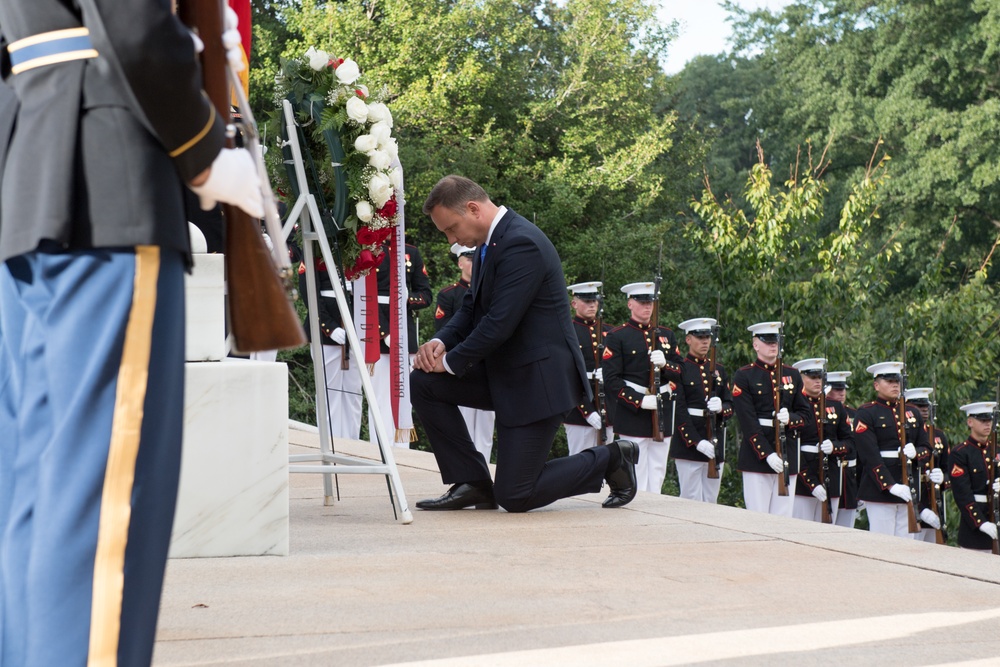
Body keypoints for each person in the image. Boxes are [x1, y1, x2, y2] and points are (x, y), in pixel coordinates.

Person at [0, 4, 263, 665]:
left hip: (27, 174)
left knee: (32, 501)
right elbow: (133, 24)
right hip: (107, 184)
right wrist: (204, 149)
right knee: (99, 506)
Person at [410, 175, 638, 512]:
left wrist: (449, 362)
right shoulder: (490, 243)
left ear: (473, 209)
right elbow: (472, 308)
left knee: (515, 495)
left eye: (451, 228)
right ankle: (472, 482)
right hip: (505, 374)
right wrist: (439, 342)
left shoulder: (521, 242)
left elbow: (499, 323)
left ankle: (611, 456)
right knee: (424, 382)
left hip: (537, 382)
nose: (451, 239)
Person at [602, 282, 683, 494]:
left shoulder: (666, 335)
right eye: (642, 302)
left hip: (662, 408)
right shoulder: (618, 336)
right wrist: (638, 399)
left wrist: (666, 365)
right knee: (635, 467)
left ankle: (654, 505)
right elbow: (611, 380)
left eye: (650, 302)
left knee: (658, 469)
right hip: (633, 412)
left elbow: (682, 372)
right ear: (630, 304)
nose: (647, 307)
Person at [731, 322, 810, 517]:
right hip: (757, 457)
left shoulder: (792, 375)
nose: (773, 345)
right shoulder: (745, 375)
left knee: (783, 518)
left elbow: (806, 415)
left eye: (776, 340)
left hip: (787, 453)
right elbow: (748, 421)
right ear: (755, 344)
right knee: (758, 517)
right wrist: (767, 454)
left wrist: (790, 418)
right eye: (767, 341)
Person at [853, 362, 931, 538]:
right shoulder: (866, 413)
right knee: (883, 542)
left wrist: (916, 453)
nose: (895, 384)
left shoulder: (912, 412)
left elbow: (927, 448)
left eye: (897, 380)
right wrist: (889, 484)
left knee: (906, 544)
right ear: (876, 385)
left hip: (908, 486)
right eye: (889, 381)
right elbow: (869, 454)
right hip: (879, 489)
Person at [434, 243, 495, 463]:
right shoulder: (449, 295)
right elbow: (444, 331)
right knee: (466, 422)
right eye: (468, 259)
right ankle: (470, 470)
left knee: (486, 426)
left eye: (475, 258)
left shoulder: (489, 291)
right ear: (460, 263)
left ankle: (485, 467)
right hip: (460, 363)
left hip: (486, 361)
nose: (472, 263)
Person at [368, 239, 432, 448]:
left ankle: (402, 450)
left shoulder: (411, 252)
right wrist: (384, 331)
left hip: (405, 329)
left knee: (404, 395)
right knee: (380, 397)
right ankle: (380, 449)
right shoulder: (369, 249)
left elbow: (425, 295)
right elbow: (364, 296)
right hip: (377, 330)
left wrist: (407, 299)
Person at [670, 317, 733, 504]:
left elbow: (731, 405)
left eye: (708, 337)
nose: (705, 341)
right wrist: (696, 442)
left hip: (714, 441)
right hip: (689, 444)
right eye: (700, 337)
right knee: (690, 500)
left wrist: (721, 408)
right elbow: (679, 411)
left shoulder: (718, 370)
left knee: (711, 500)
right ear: (688, 339)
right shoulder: (680, 369)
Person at [790, 358, 854, 523]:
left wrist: (835, 447)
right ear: (802, 378)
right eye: (812, 377)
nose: (817, 381)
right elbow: (792, 447)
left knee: (827, 531)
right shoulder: (795, 405)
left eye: (820, 377)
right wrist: (811, 482)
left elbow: (850, 442)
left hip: (831, 475)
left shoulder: (836, 407)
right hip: (803, 477)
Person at [306, 257, 363, 440]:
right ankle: (331, 442)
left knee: (353, 392)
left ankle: (352, 443)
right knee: (329, 392)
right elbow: (309, 292)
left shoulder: (358, 248)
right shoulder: (314, 249)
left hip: (355, 328)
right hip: (326, 333)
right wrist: (329, 326)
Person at [563, 281, 613, 455]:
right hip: (578, 409)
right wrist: (587, 411)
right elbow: (566, 376)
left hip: (606, 406)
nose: (592, 304)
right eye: (586, 301)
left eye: (594, 300)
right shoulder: (567, 331)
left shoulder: (610, 332)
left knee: (604, 463)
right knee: (578, 462)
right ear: (574, 303)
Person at [949, 402, 999, 552]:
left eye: (989, 420)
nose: (987, 424)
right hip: (974, 527)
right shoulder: (961, 453)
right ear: (970, 422)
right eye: (982, 420)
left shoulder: (996, 450)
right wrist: (980, 522)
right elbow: (962, 494)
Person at [903, 387, 949, 543]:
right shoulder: (905, 433)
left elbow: (948, 470)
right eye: (918, 406)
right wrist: (921, 510)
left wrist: (943, 478)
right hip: (914, 502)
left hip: (934, 501)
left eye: (926, 406)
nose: (924, 410)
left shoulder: (938, 435)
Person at [825, 371, 860, 528]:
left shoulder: (854, 414)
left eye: (843, 389)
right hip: (830, 471)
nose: (841, 393)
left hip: (850, 476)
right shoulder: (820, 410)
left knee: (847, 526)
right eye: (836, 389)